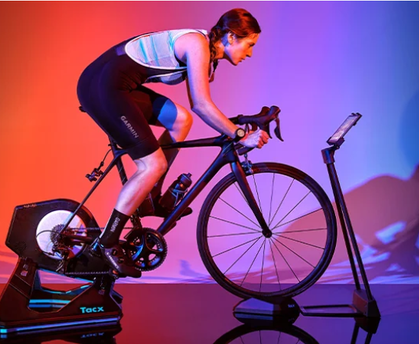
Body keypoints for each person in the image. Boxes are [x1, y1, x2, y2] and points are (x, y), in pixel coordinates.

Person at [76, 8, 272, 278]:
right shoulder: (197, 44)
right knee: (152, 165)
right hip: (101, 87)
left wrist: (241, 122)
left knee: (181, 120)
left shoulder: (206, 50)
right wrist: (239, 134)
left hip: (116, 85)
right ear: (230, 37)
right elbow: (202, 105)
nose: (249, 53)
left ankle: (150, 197)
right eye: (249, 45)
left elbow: (200, 110)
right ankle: (107, 243)